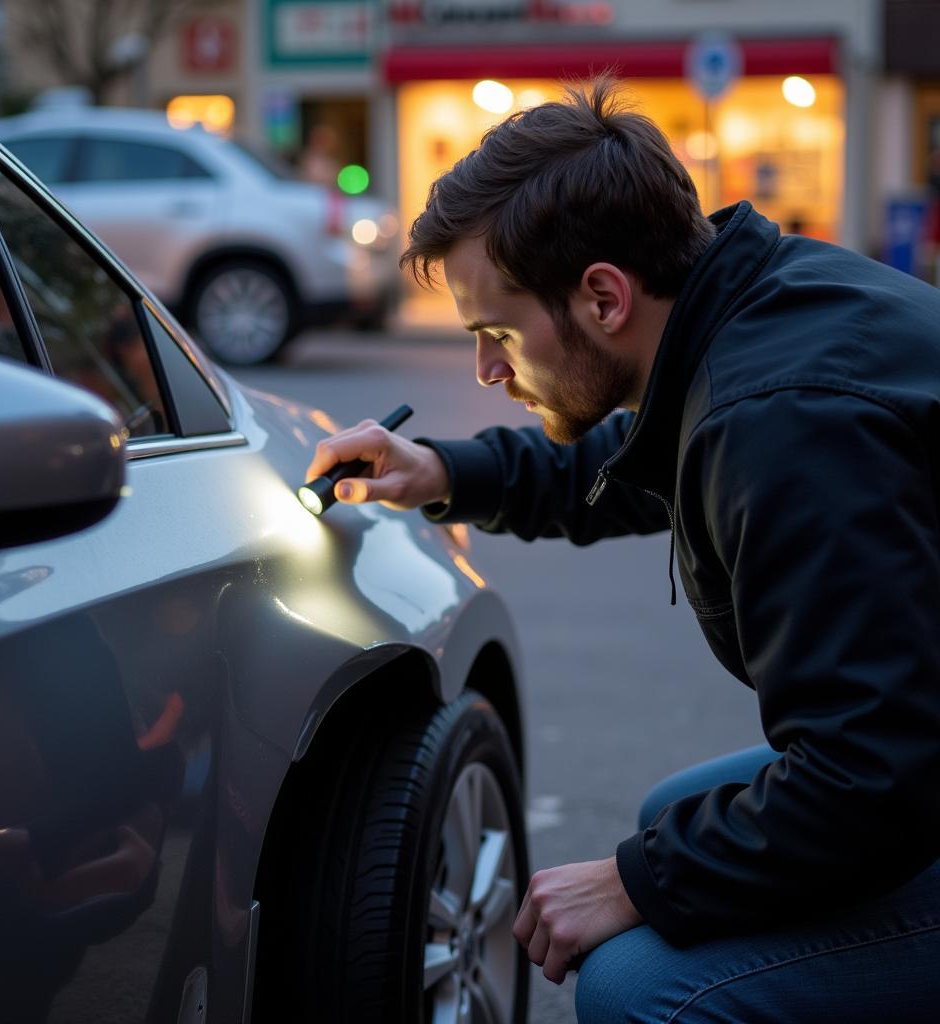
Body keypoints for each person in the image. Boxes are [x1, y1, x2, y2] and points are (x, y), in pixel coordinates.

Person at [304, 77, 940, 1022]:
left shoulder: (783, 427)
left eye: (497, 332)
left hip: (905, 773)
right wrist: (442, 470)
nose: (485, 368)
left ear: (603, 295)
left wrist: (633, 884)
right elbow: (634, 458)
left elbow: (871, 777)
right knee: (671, 817)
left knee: (641, 989)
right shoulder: (753, 300)